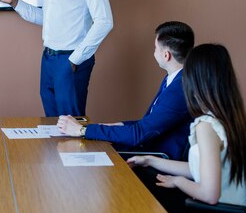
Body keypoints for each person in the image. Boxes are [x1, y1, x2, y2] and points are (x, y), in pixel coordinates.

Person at [127, 44, 246, 213]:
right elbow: (200, 169)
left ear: (194, 82)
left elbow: (210, 195)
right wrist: (150, 160)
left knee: (145, 201)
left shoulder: (206, 126)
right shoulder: (232, 117)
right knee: (148, 177)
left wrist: (177, 182)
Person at [57, 21, 194, 160]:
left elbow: (139, 135)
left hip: (155, 158)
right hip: (146, 149)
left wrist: (82, 130)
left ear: (166, 55)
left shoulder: (178, 89)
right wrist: (118, 125)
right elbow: (149, 124)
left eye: (155, 48)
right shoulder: (176, 79)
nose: (154, 52)